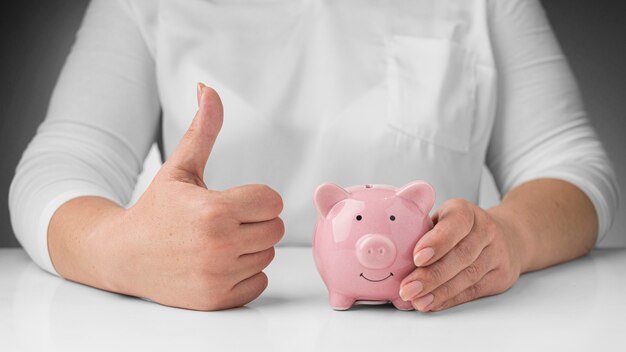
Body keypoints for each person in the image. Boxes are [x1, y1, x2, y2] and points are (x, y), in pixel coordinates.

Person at [9, 0, 618, 312]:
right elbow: (57, 167)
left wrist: (509, 238)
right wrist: (121, 251)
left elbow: (573, 169)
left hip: (443, 330)